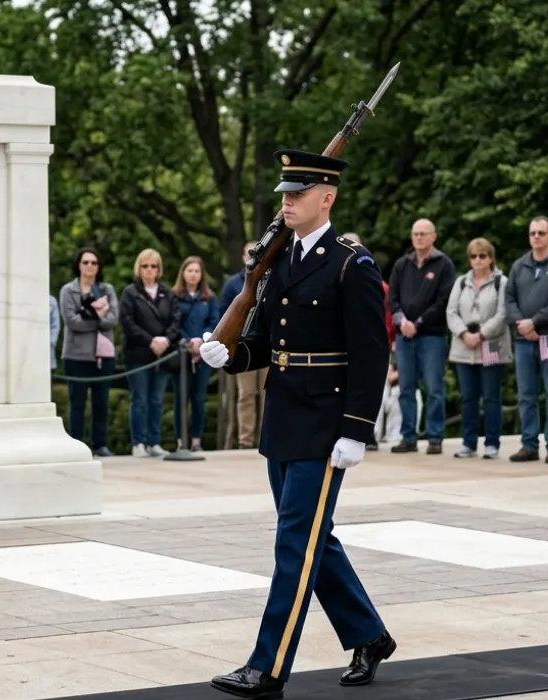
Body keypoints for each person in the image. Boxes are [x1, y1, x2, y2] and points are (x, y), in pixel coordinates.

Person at [199, 148, 395, 698]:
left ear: (326, 198)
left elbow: (372, 351)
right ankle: (369, 634)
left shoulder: (351, 264)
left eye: (298, 193)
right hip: (283, 418)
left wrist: (356, 429)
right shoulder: (281, 261)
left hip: (326, 425)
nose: (286, 201)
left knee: (294, 544)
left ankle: (267, 667)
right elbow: (265, 339)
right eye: (284, 193)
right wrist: (230, 356)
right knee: (313, 540)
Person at [504, 216, 548, 463]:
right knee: (526, 396)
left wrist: (534, 322)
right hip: (523, 340)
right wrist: (522, 324)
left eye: (541, 233)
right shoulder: (518, 265)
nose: (536, 237)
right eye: (533, 233)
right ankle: (529, 445)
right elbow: (509, 299)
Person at [387, 218, 455, 454]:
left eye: (423, 234)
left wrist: (418, 323)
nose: (418, 238)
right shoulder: (402, 265)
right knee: (406, 388)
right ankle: (408, 437)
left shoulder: (443, 264)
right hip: (404, 337)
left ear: (433, 236)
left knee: (434, 388)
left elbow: (443, 301)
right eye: (415, 234)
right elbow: (392, 298)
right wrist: (402, 321)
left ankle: (435, 437)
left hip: (431, 336)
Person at [445, 237, 511, 459]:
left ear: (491, 258)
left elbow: (503, 313)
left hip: (490, 345)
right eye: (473, 256)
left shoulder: (501, 282)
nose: (478, 260)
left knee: (491, 396)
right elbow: (451, 311)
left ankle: (492, 443)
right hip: (464, 347)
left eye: (482, 256)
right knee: (468, 397)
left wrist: (482, 334)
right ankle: (468, 442)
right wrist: (464, 333)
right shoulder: (461, 281)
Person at [119, 248, 181, 457]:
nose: (149, 270)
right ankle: (138, 443)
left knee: (157, 400)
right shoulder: (130, 293)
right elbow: (127, 322)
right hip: (138, 355)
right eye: (145, 266)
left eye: (153, 266)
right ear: (139, 268)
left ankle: (154, 442)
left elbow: (175, 320)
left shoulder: (167, 293)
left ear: (159, 269)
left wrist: (165, 339)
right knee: (140, 399)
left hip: (162, 355)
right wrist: (150, 340)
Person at [59, 248, 119, 458]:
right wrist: (97, 319)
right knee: (77, 403)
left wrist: (89, 316)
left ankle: (100, 444)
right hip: (76, 355)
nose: (90, 266)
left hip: (103, 356)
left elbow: (112, 320)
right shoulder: (68, 290)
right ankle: (76, 445)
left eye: (94, 263)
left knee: (101, 402)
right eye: (86, 262)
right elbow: (71, 321)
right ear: (78, 265)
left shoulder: (106, 289)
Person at [170, 256, 221, 451]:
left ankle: (196, 440)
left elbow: (214, 321)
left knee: (199, 399)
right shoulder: (174, 296)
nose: (193, 274)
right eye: (189, 270)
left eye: (197, 271)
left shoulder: (209, 298)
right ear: (183, 273)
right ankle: (180, 441)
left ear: (202, 275)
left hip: (203, 354)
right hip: (181, 353)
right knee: (180, 399)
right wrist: (188, 341)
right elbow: (173, 323)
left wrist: (201, 340)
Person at [222, 241, 267, 449]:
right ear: (243, 257)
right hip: (243, 346)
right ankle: (245, 440)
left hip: (266, 344)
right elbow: (225, 316)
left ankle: (265, 437)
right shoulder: (233, 284)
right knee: (246, 395)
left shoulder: (270, 278)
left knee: (267, 393)